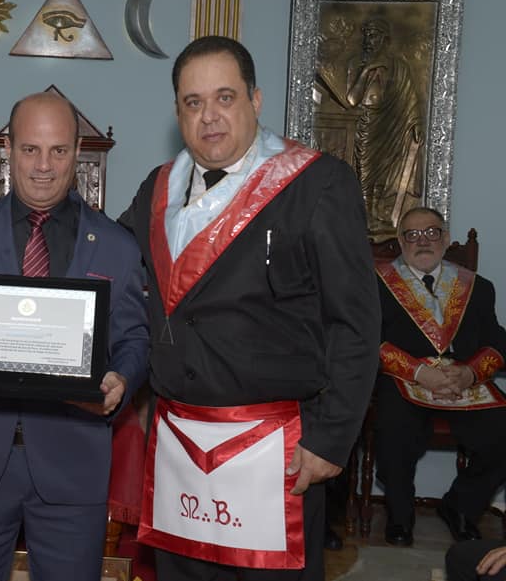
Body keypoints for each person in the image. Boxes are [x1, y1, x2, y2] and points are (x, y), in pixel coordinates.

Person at [118, 35, 380, 581]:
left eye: (225, 97)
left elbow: (354, 323)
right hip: (180, 448)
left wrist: (331, 439)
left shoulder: (317, 184)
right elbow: (112, 268)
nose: (209, 116)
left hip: (276, 452)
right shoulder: (157, 189)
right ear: (177, 113)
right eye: (193, 102)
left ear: (255, 101)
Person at [0, 92, 149, 581]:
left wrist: (122, 378)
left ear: (77, 152)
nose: (43, 166)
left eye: (58, 150)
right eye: (30, 149)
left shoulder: (117, 245)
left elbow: (134, 338)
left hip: (73, 464)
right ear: (8, 149)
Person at [375, 207, 506, 546]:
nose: (423, 241)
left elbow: (496, 341)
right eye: (412, 235)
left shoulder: (478, 287)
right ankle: (400, 516)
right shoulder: (374, 285)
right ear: (401, 242)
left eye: (432, 232)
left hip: (463, 383)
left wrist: (470, 373)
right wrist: (419, 372)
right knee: (392, 429)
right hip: (403, 380)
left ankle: (461, 507)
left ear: (446, 239)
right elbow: (366, 342)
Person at [345, 17, 424, 234]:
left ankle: (376, 212)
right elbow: (351, 100)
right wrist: (366, 71)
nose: (368, 41)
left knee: (384, 170)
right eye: (366, 36)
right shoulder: (356, 63)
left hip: (392, 124)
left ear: (384, 39)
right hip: (369, 122)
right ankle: (363, 214)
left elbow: (410, 96)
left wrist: (416, 122)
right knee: (365, 170)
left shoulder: (399, 67)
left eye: (373, 36)